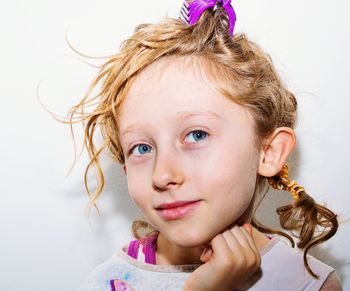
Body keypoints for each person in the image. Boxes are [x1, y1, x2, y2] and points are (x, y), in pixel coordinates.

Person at [67, 0, 342, 290]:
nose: (162, 175)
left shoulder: (308, 283)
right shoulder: (109, 281)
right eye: (142, 148)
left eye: (197, 135)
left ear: (269, 151)